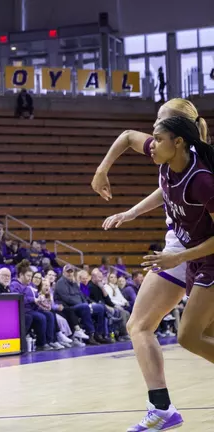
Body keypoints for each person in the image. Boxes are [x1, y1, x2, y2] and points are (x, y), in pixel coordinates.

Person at [92, 99, 208, 430]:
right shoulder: (176, 154)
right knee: (144, 325)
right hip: (182, 248)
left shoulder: (201, 172)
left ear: (177, 135)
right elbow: (133, 143)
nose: (151, 134)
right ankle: (161, 408)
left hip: (195, 251)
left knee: (161, 329)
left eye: (159, 124)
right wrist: (127, 208)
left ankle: (162, 409)